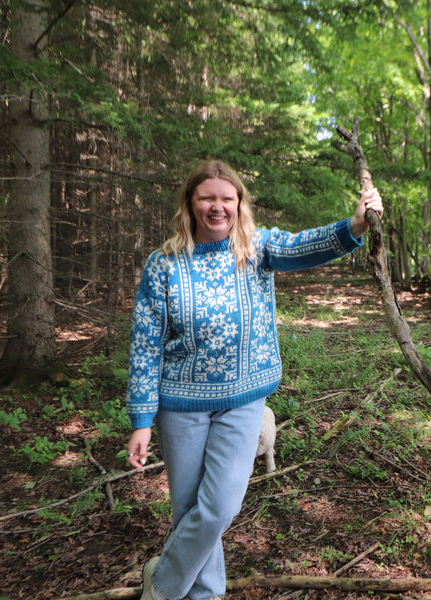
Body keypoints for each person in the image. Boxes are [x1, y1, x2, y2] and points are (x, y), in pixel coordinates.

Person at [124, 159, 383, 600]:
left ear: (239, 203)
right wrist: (142, 418)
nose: (217, 207)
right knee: (189, 512)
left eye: (227, 198)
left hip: (243, 401)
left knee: (219, 508)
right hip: (180, 405)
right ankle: (206, 595)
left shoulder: (256, 248)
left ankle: (161, 585)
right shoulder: (163, 265)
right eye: (207, 197)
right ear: (190, 201)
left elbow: (305, 246)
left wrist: (354, 226)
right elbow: (145, 344)